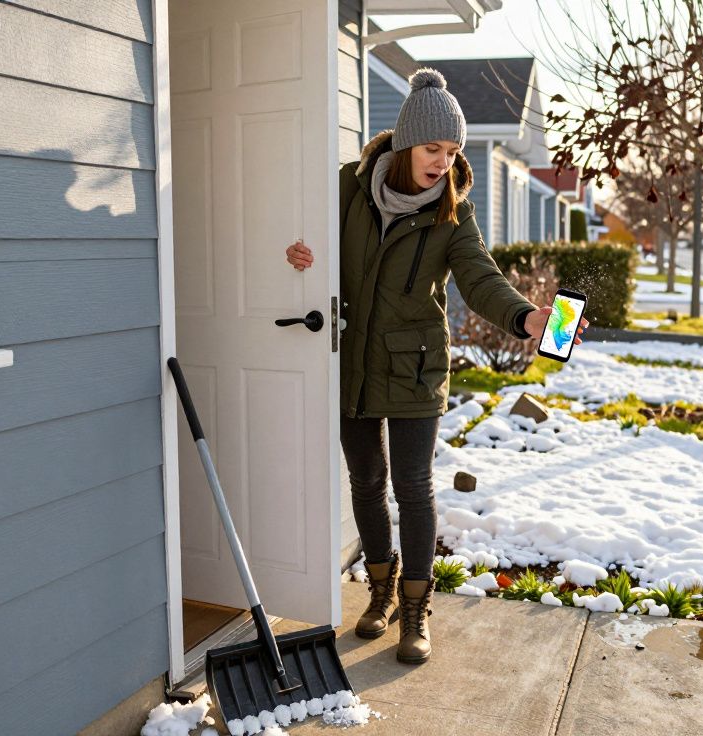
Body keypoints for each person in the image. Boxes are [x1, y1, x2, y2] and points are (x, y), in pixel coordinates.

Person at [284, 68, 586, 664]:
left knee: (413, 488)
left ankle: (416, 612)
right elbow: (305, 239)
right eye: (433, 149)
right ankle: (381, 592)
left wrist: (529, 319)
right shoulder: (347, 187)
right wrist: (298, 254)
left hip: (416, 365)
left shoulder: (454, 213)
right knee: (366, 483)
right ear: (404, 144)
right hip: (351, 363)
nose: (443, 162)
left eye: (452, 152)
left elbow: (480, 279)